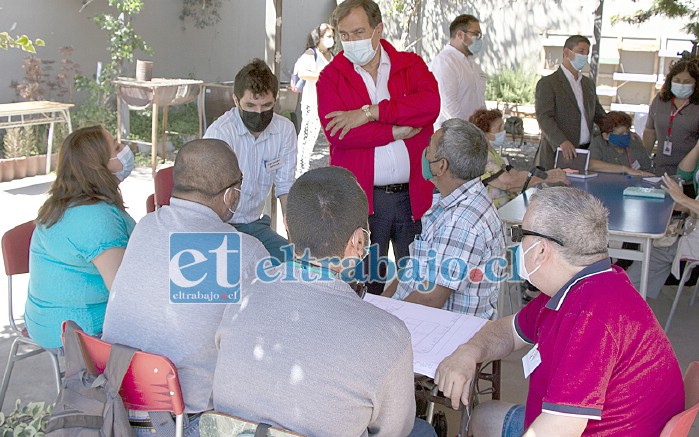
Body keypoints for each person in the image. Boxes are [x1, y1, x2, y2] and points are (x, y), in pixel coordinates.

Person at [435, 187, 684, 436]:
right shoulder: (587, 286)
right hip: (610, 424)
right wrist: (468, 351)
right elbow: (509, 331)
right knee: (484, 416)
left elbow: (558, 430)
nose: (517, 244)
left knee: (484, 419)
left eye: (520, 234)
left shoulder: (589, 317)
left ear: (542, 250)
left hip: (583, 429)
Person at [213, 167, 436, 437]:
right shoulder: (389, 335)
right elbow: (394, 431)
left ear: (287, 224)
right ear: (358, 241)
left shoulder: (241, 295)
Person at [102, 139, 269, 436]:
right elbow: (266, 340)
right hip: (182, 423)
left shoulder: (145, 226)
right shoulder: (245, 250)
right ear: (232, 195)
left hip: (114, 407)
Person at [316, 0, 440, 294]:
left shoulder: (410, 65)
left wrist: (369, 112)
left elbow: (429, 107)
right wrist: (396, 130)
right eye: (344, 35)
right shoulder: (331, 77)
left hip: (414, 195)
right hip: (364, 201)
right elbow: (340, 134)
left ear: (378, 29)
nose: (351, 41)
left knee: (418, 281)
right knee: (365, 284)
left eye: (359, 32)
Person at [26, 125, 136, 350]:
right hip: (76, 331)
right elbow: (123, 291)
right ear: (98, 167)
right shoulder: (95, 217)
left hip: (47, 321)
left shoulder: (65, 201)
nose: (124, 149)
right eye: (115, 147)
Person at [383, 119, 506, 319]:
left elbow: (430, 299)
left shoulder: (461, 222)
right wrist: (383, 302)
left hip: (438, 332)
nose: (425, 153)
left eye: (429, 146)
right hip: (419, 318)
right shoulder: (453, 201)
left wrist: (384, 320)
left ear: (441, 166)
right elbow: (414, 269)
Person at [204, 58, 297, 264]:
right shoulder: (220, 133)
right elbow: (206, 198)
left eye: (266, 105)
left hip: (256, 226)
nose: (258, 112)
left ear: (276, 100)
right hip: (221, 228)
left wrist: (294, 243)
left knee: (296, 265)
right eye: (250, 105)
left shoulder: (284, 130)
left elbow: (285, 187)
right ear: (236, 101)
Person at [626, 140, 699, 299]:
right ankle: (635, 297)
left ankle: (626, 299)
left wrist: (684, 200)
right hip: (693, 225)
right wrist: (685, 206)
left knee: (656, 250)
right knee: (659, 244)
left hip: (695, 235)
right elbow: (684, 173)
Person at [470, 109, 568, 207]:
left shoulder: (492, 153)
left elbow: (515, 174)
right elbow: (508, 183)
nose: (503, 132)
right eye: (499, 128)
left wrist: (544, 175)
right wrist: (545, 177)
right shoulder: (482, 157)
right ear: (484, 133)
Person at [534, 35, 606, 170]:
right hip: (558, 152)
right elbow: (544, 117)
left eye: (587, 53)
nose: (585, 56)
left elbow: (599, 114)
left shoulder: (588, 84)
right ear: (567, 52)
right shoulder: (548, 83)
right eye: (581, 51)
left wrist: (618, 127)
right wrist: (561, 141)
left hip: (584, 151)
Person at [643, 59, 699, 176]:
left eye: (687, 82)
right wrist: (643, 160)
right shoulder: (660, 100)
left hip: (688, 172)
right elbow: (650, 131)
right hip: (660, 169)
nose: (682, 85)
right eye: (677, 81)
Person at [430, 14, 486, 129]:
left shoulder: (473, 65)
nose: (479, 39)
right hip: (452, 136)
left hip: (473, 136)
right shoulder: (445, 62)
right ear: (460, 34)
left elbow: (480, 100)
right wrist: (469, 131)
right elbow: (449, 106)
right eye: (476, 34)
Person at [294, 23, 335, 177]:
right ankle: (301, 172)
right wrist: (324, 76)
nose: (331, 40)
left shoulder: (332, 56)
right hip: (312, 103)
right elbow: (303, 73)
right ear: (320, 37)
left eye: (332, 37)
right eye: (328, 36)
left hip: (329, 105)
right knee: (307, 139)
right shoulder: (312, 54)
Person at [588, 111, 654, 176]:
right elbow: (591, 165)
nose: (626, 136)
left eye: (627, 132)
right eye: (621, 134)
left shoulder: (635, 144)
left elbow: (648, 171)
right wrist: (625, 169)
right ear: (606, 136)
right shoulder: (599, 143)